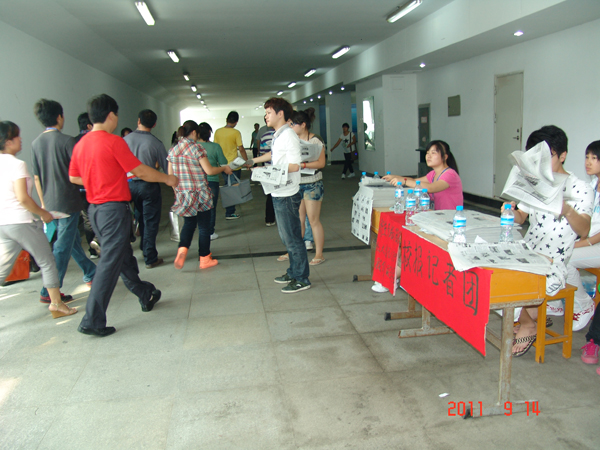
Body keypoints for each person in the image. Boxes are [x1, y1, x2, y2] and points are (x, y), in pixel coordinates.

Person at [69, 94, 178, 337]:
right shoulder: (113, 141)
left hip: (95, 211)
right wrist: (168, 179)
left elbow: (74, 177)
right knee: (109, 263)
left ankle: (145, 293)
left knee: (124, 258)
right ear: (111, 115)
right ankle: (92, 320)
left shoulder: (81, 144)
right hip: (113, 211)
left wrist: (97, 180)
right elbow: (140, 171)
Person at [507, 126, 593, 356]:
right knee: (495, 277)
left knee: (519, 285)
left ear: (563, 155)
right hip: (529, 251)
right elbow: (522, 216)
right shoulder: (535, 182)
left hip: (554, 260)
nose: (540, 164)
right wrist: (510, 212)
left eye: (547, 157)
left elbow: (584, 230)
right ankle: (529, 317)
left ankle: (528, 323)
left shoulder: (580, 188)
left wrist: (567, 210)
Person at [0, 121, 77, 319]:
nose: (20, 139)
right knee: (48, 262)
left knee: (2, 268)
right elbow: (23, 198)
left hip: (3, 224)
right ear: (7, 141)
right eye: (17, 136)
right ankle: (57, 304)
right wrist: (42, 213)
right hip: (21, 223)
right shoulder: (17, 165)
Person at [31, 99, 96, 303]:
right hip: (67, 201)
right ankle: (49, 290)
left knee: (71, 241)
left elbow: (36, 177)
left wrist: (43, 204)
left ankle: (90, 271)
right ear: (59, 117)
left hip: (49, 202)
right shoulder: (67, 141)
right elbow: (78, 171)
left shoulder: (35, 143)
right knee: (62, 246)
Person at [250, 98, 311, 293]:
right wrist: (254, 161)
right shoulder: (279, 134)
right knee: (287, 237)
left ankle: (301, 278)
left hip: (287, 193)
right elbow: (275, 156)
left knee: (292, 238)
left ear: (280, 113)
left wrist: (269, 171)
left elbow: (295, 165)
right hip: (278, 190)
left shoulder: (289, 136)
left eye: (269, 112)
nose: (266, 116)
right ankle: (293, 272)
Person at [169, 120, 232, 270]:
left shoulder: (173, 150)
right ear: (194, 132)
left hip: (184, 194)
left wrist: (177, 192)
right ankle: (204, 258)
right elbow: (209, 170)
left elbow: (171, 177)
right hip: (200, 194)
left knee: (188, 224)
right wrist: (223, 168)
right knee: (204, 227)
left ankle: (182, 249)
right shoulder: (197, 148)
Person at [277, 109, 326, 265]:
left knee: (313, 220)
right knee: (299, 220)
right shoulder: (293, 140)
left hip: (312, 184)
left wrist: (303, 165)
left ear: (303, 125)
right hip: (297, 184)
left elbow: (321, 163)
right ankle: (294, 251)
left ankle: (319, 254)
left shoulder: (316, 140)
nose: (291, 127)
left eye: (293, 124)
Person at [124, 109, 169, 269]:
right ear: (154, 124)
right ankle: (150, 257)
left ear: (138, 121)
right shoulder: (156, 143)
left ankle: (133, 253)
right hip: (149, 186)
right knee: (150, 221)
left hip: (128, 185)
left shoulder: (124, 140)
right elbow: (166, 167)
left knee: (134, 218)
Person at [566, 140, 600, 332]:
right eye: (587, 157)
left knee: (566, 258)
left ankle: (584, 304)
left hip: (596, 244)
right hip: (588, 240)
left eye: (594, 158)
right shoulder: (593, 185)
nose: (588, 162)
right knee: (554, 251)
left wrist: (581, 243)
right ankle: (557, 301)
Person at [383, 140, 463, 210]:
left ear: (445, 157)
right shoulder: (433, 174)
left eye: (433, 153)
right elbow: (415, 181)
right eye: (427, 153)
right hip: (436, 215)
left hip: (449, 218)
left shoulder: (450, 174)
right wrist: (395, 177)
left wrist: (404, 181)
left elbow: (430, 188)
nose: (428, 156)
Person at [74, 112, 100, 259]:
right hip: (96, 187)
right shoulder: (94, 141)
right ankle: (99, 241)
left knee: (87, 219)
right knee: (100, 215)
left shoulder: (72, 142)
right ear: (89, 126)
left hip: (79, 188)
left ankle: (92, 250)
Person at [214, 111, 247, 220]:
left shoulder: (218, 132)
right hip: (234, 165)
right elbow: (241, 148)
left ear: (226, 120)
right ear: (236, 122)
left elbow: (216, 147)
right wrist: (246, 161)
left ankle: (230, 210)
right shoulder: (236, 132)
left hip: (223, 165)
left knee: (228, 186)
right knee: (232, 188)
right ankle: (229, 212)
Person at [198, 122, 228, 241]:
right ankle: (210, 232)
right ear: (210, 133)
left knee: (199, 207)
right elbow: (223, 163)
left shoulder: (193, 146)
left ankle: (201, 230)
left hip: (196, 182)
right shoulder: (215, 147)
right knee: (211, 207)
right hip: (212, 181)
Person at [256, 119, 276, 226]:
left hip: (269, 169)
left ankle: (269, 219)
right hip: (283, 170)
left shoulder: (264, 136)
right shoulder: (285, 134)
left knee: (270, 195)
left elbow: (263, 154)